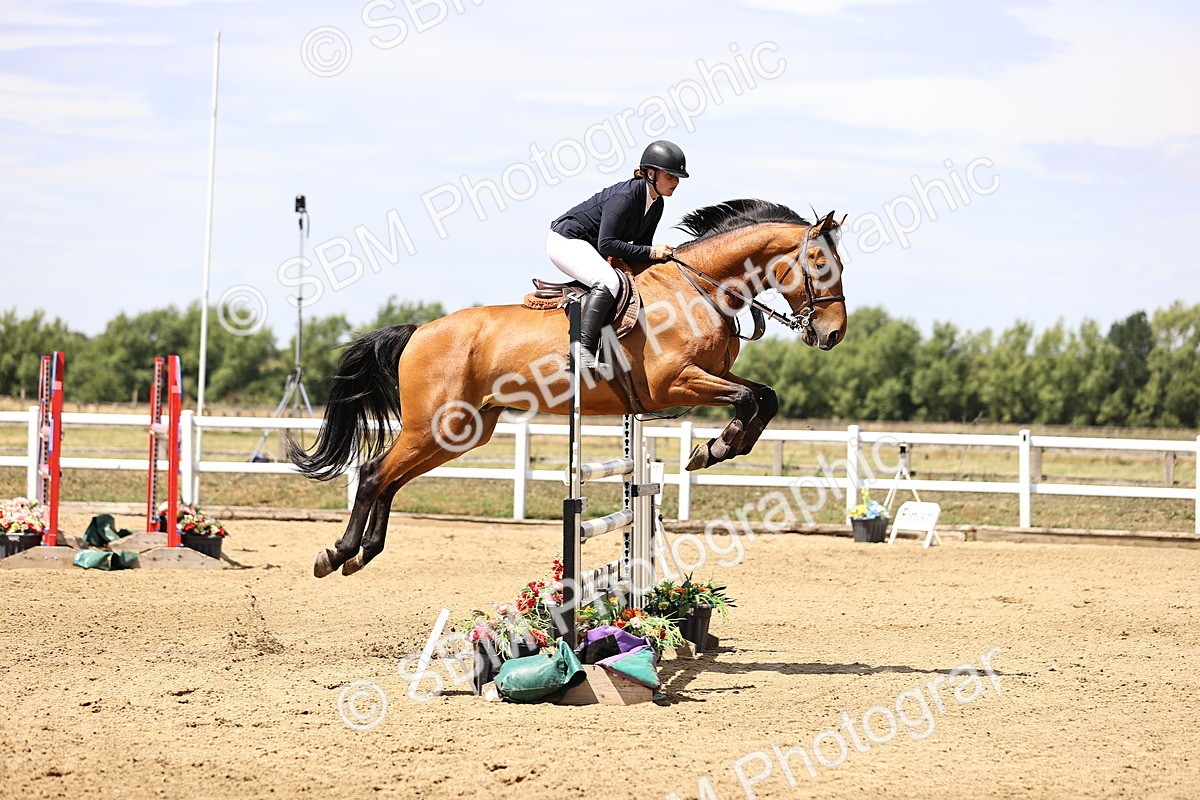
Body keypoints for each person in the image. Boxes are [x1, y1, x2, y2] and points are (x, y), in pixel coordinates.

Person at [547, 139, 689, 367]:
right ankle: (580, 352)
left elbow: (640, 248)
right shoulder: (625, 197)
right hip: (566, 241)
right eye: (670, 176)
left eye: (677, 178)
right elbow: (607, 244)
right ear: (651, 173)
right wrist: (653, 252)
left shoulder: (656, 203)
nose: (675, 182)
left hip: (589, 246)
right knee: (609, 282)